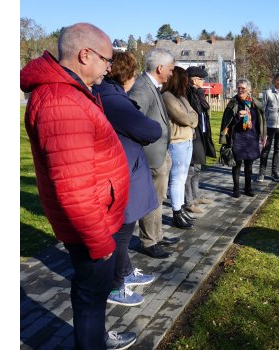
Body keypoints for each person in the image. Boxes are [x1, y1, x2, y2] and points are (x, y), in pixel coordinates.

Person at [20, 23, 137, 350]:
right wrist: (100, 243)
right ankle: (92, 342)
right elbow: (73, 190)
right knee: (90, 296)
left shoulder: (69, 94)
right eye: (106, 60)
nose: (109, 68)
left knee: (93, 294)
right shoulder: (62, 102)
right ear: (85, 55)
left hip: (97, 219)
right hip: (91, 228)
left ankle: (97, 337)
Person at [92, 51, 161, 307]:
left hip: (125, 167)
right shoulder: (113, 99)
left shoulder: (110, 95)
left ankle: (126, 272)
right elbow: (148, 129)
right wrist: (152, 127)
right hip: (122, 171)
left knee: (125, 226)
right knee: (123, 230)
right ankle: (115, 285)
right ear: (128, 75)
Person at [128, 48, 182, 259]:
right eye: (170, 69)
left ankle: (157, 235)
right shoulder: (142, 88)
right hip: (150, 157)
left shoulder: (152, 86)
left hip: (159, 154)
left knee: (158, 199)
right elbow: (133, 120)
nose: (171, 73)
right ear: (160, 68)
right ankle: (149, 241)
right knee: (152, 200)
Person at [162, 66, 199, 227]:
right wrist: (191, 119)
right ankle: (177, 212)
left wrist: (191, 119)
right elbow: (185, 118)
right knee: (177, 179)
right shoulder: (167, 96)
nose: (186, 82)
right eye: (184, 79)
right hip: (177, 142)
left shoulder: (182, 98)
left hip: (187, 140)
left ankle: (181, 208)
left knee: (182, 178)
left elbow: (194, 115)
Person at [220, 79, 267, 198]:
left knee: (249, 166)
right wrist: (237, 117)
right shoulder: (233, 103)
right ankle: (236, 189)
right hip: (238, 138)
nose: (240, 90)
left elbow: (261, 120)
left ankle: (248, 188)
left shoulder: (254, 103)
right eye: (238, 88)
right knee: (236, 164)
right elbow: (227, 122)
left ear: (249, 89)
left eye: (243, 88)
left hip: (252, 138)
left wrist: (262, 135)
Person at [183, 66, 216, 214]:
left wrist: (200, 93)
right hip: (192, 135)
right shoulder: (187, 93)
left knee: (197, 168)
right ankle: (189, 201)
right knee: (190, 169)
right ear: (194, 80)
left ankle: (196, 196)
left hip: (201, 134)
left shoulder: (197, 93)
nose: (203, 82)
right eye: (201, 79)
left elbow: (204, 108)